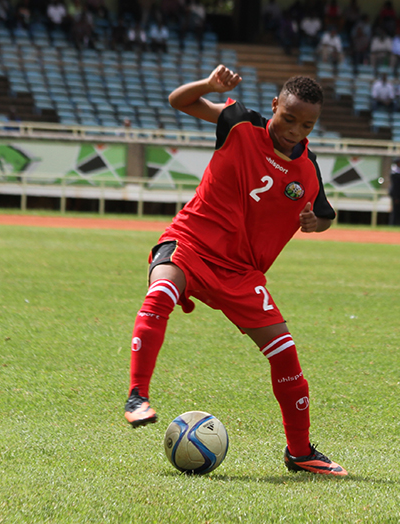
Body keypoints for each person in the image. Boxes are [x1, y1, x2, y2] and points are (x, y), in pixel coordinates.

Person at [123, 65, 347, 477]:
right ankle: (137, 397)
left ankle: (300, 452)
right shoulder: (240, 122)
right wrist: (209, 86)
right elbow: (180, 102)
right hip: (192, 244)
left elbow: (325, 213)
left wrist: (318, 223)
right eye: (288, 118)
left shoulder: (309, 170)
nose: (295, 130)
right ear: (274, 105)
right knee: (159, 295)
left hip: (242, 274)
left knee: (285, 354)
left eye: (307, 125)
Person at [388, 157, 400, 225]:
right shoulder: (395, 172)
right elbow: (396, 185)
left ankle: (399, 224)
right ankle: (393, 224)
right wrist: (396, 196)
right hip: (396, 194)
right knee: (395, 210)